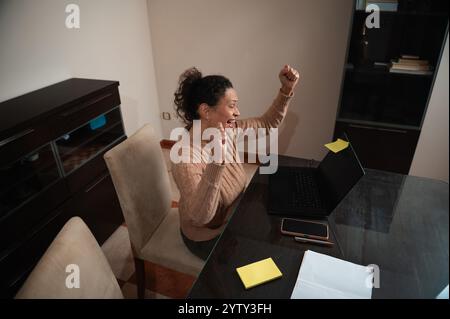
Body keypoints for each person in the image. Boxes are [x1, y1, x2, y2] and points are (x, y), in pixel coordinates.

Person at [171, 65, 300, 260]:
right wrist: (217, 161)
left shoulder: (226, 130)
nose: (237, 112)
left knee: (280, 224)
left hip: (234, 214)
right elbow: (201, 216)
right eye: (231, 106)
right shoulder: (185, 156)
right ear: (206, 110)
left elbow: (266, 123)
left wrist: (286, 89)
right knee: (264, 254)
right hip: (206, 236)